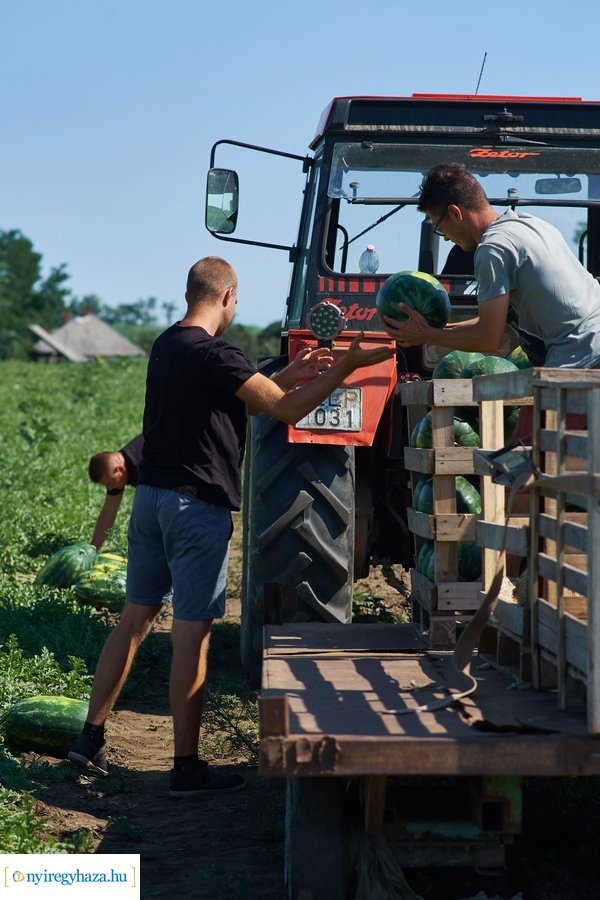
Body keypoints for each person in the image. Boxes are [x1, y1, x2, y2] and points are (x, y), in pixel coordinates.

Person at [68, 255, 394, 797]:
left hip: (150, 502)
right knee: (191, 636)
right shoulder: (218, 352)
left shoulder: (169, 344)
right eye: (237, 300)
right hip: (194, 509)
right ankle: (187, 767)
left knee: (133, 621)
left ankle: (88, 737)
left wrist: (295, 372)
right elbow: (288, 412)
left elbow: (244, 403)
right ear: (227, 297)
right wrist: (344, 366)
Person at [384, 163, 600, 384]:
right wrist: (433, 327)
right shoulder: (527, 224)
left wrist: (427, 336)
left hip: (584, 356)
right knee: (528, 418)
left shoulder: (492, 249)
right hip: (587, 347)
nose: (446, 237)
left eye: (440, 228)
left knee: (538, 419)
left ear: (454, 213)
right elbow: (503, 322)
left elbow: (489, 338)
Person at [88, 435, 143, 550]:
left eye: (110, 483)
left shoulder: (143, 466)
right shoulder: (117, 473)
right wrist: (93, 549)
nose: (111, 488)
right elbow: (108, 511)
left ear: (119, 470)